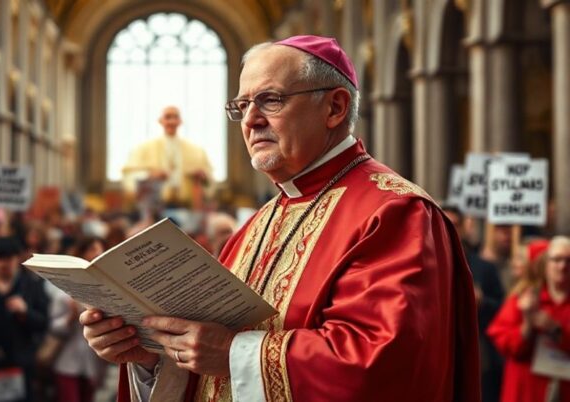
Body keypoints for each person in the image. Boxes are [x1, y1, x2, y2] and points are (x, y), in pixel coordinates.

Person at [80, 35, 480, 402]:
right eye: (242, 105)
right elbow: (208, 366)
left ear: (335, 107)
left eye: (271, 100)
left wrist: (232, 353)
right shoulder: (256, 225)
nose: (251, 120)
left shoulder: (395, 213)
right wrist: (151, 353)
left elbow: (382, 365)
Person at [487, 236, 570, 402]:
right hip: (525, 390)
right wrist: (527, 324)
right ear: (545, 264)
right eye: (556, 260)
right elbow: (502, 341)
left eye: (568, 260)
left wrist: (555, 329)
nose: (563, 266)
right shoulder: (524, 298)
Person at [0, 237, 49, 402]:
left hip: (20, 363)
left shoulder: (31, 285)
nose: (4, 264)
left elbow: (43, 322)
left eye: (9, 258)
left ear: (18, 258)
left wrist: (26, 312)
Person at [443, 204, 505, 402]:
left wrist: (482, 301)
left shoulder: (484, 267)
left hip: (478, 353)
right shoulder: (425, 263)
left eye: (454, 225)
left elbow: (502, 308)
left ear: (463, 228)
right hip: (441, 349)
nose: (449, 230)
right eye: (444, 224)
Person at [48, 237, 108, 402]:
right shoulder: (64, 289)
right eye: (93, 249)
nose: (97, 254)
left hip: (93, 362)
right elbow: (53, 328)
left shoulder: (105, 288)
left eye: (101, 250)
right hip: (68, 362)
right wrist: (70, 317)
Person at [121, 106, 213, 207]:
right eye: (168, 117)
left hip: (185, 206)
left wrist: (203, 177)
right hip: (155, 207)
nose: (172, 121)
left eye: (175, 117)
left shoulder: (196, 151)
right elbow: (129, 175)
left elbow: (209, 181)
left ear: (180, 121)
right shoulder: (143, 148)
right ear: (160, 121)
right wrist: (149, 175)